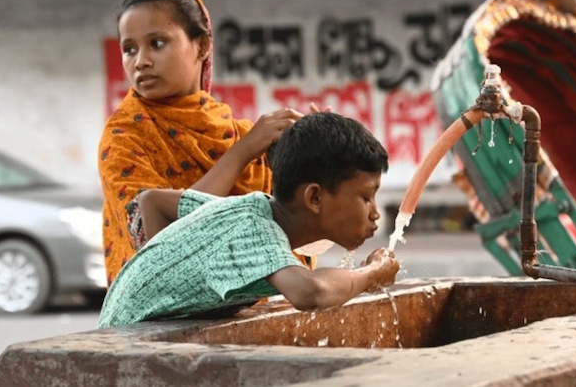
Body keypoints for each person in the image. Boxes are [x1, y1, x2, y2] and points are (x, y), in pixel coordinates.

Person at [98, 112, 400, 328]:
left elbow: (154, 202)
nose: (375, 212)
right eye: (366, 197)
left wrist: (168, 274)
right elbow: (311, 293)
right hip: (124, 340)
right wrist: (371, 274)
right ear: (314, 198)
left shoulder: (248, 207)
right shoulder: (254, 229)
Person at [98, 0, 305, 286]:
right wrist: (241, 154)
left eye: (157, 43)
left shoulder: (244, 136)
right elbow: (158, 241)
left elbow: (300, 230)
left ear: (203, 45)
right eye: (129, 49)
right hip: (162, 323)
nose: (140, 61)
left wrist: (317, 149)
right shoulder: (123, 138)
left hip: (256, 314)